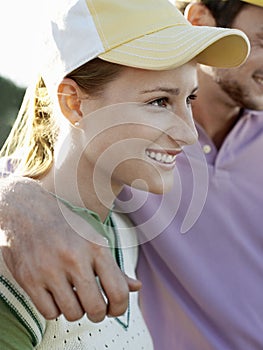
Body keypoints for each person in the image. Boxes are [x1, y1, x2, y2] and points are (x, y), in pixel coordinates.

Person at [0, 0, 250, 349]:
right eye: (159, 101)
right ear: (73, 103)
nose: (189, 134)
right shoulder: (19, 258)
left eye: (189, 99)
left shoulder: (123, 229)